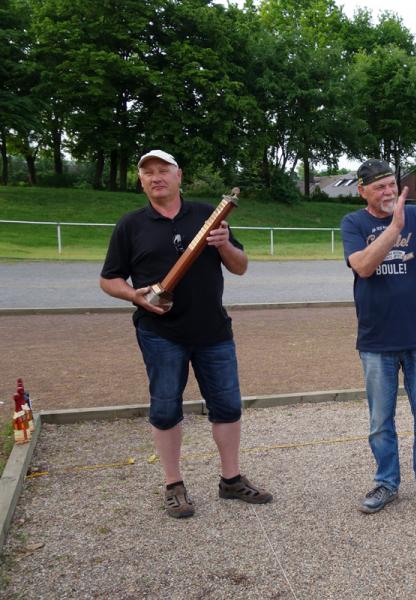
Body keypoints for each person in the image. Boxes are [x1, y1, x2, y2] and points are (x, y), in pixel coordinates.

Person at [100, 149, 271, 519]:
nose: (156, 177)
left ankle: (231, 479)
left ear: (179, 176)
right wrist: (135, 296)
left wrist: (224, 244)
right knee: (165, 410)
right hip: (160, 333)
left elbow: (240, 266)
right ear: (141, 181)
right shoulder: (130, 225)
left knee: (227, 408)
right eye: (148, 172)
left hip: (213, 331)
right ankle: (173, 485)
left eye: (163, 170)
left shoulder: (209, 215)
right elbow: (109, 279)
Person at [340, 158, 416, 515]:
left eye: (391, 185)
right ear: (362, 191)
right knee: (380, 421)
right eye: (380, 187)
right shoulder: (353, 223)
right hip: (376, 340)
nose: (388, 192)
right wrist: (395, 227)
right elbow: (363, 266)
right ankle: (387, 482)